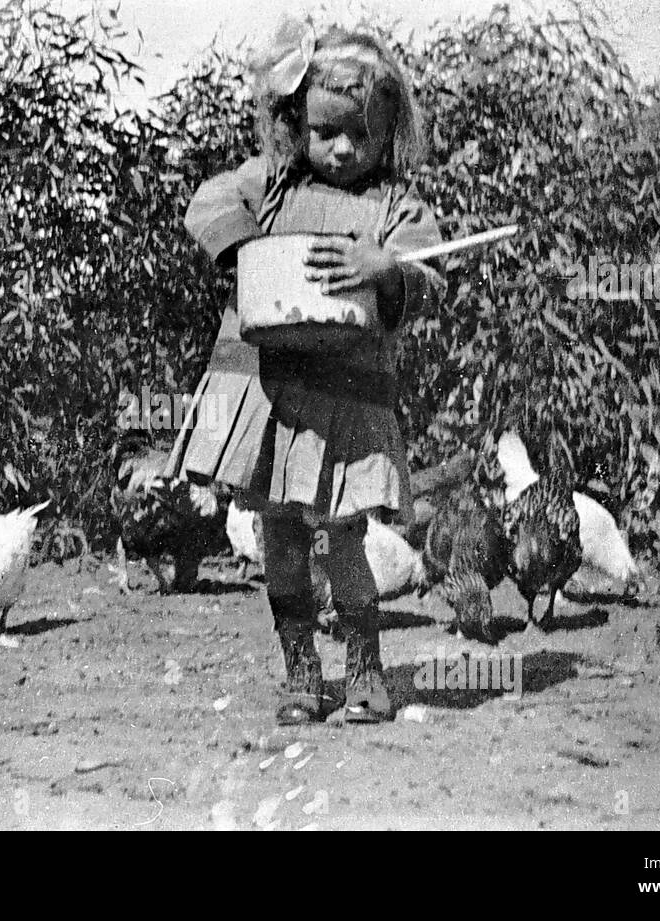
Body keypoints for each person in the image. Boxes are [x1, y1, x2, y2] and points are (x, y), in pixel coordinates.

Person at [167, 18, 446, 725]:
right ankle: (300, 673)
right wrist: (246, 253)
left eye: (362, 134)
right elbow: (208, 202)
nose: (344, 148)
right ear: (297, 125)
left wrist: (388, 267)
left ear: (391, 134)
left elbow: (430, 274)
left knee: (341, 534)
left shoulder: (392, 208)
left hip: (343, 395)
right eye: (326, 132)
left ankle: (364, 671)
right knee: (281, 540)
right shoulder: (272, 186)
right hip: (272, 391)